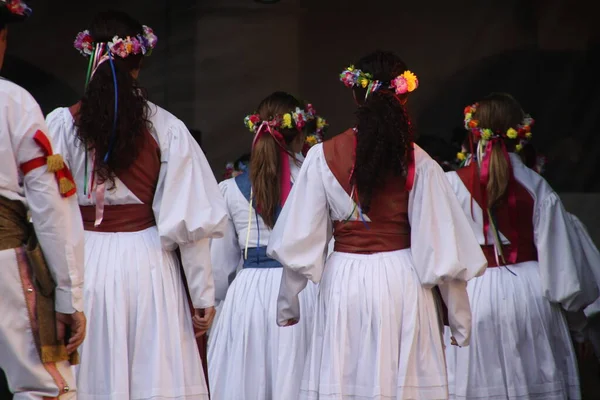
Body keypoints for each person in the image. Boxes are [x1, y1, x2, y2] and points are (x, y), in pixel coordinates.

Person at [267, 50, 487, 399]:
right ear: (403, 95)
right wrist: (460, 322)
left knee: (347, 380)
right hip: (403, 280)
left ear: (356, 95)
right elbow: (441, 249)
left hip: (345, 282)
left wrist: (287, 305)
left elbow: (301, 239)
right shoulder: (420, 161)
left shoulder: (321, 157)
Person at [45, 10, 228, 400]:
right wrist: (202, 296)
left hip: (82, 260)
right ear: (139, 63)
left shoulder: (61, 125)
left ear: (89, 58)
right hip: (147, 266)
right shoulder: (166, 128)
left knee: (89, 373)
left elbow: (46, 212)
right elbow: (188, 224)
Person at [443, 93, 599, 399]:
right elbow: (563, 271)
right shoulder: (537, 185)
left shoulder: (450, 184)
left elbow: (439, 253)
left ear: (473, 131)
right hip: (531, 296)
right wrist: (579, 328)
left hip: (472, 296)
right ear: (520, 131)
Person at [208, 92, 320, 399]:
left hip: (247, 297)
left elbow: (220, 265)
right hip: (300, 295)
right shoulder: (313, 182)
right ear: (301, 135)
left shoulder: (230, 190)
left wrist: (219, 304)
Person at [0, 1, 87, 398]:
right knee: (45, 387)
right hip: (3, 260)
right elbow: (49, 203)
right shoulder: (13, 101)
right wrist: (68, 295)